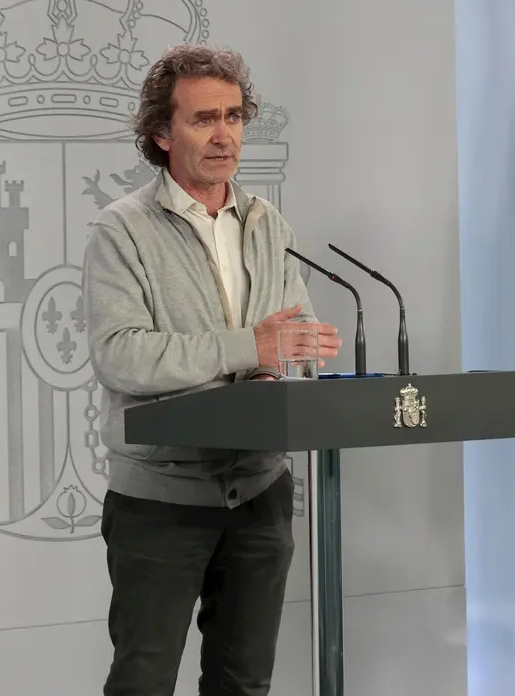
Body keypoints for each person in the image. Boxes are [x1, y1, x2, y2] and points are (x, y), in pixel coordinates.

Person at [82, 44, 341, 696]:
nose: (224, 134)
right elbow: (122, 353)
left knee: (244, 684)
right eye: (203, 120)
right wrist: (248, 350)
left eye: (233, 116)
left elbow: (295, 342)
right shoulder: (123, 231)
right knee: (143, 683)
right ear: (162, 134)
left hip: (260, 495)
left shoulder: (264, 222)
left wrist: (273, 376)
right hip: (160, 502)